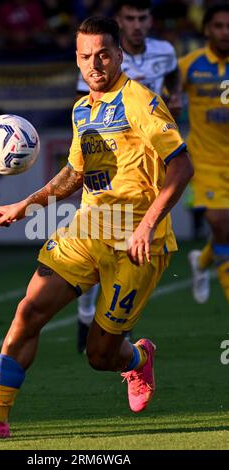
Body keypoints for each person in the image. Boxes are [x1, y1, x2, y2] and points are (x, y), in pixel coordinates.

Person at [0, 16, 193, 441]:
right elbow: (74, 173)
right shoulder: (82, 108)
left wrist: (148, 225)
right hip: (86, 228)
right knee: (27, 313)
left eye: (103, 53)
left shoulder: (141, 102)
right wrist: (26, 204)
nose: (95, 63)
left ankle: (137, 360)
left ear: (120, 54)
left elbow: (182, 166)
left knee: (100, 355)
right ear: (77, 60)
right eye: (86, 56)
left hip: (138, 240)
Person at [76, 0, 183, 353]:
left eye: (142, 18)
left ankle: (113, 326)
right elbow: (88, 103)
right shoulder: (98, 59)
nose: (137, 25)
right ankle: (85, 310)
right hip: (108, 155)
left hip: (151, 141)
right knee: (91, 228)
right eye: (130, 19)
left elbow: (172, 80)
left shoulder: (163, 54)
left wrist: (175, 97)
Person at [179, 3, 229, 304]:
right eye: (219, 26)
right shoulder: (189, 65)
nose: (225, 32)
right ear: (207, 29)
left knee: (225, 231)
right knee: (221, 223)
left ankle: (201, 260)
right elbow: (164, 100)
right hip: (206, 161)